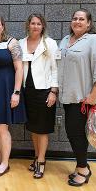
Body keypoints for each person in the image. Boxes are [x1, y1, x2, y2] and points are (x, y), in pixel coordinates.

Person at [58, 8, 96, 186]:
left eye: (82, 19)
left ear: (89, 23)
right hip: (68, 97)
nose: (77, 22)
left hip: (84, 99)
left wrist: (93, 96)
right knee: (73, 133)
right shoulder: (65, 40)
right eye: (75, 18)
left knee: (78, 135)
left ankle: (83, 169)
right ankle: (82, 165)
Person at [0, 15, 27, 177]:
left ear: (3, 26)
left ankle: (5, 163)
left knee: (2, 127)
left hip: (6, 89)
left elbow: (19, 69)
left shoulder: (11, 43)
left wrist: (16, 92)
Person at [19, 14, 58, 179]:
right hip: (27, 91)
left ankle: (41, 161)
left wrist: (53, 91)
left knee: (42, 129)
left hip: (44, 91)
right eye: (33, 23)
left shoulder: (50, 43)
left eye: (38, 24)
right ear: (28, 25)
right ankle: (36, 156)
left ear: (43, 26)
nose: (35, 26)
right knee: (33, 127)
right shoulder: (21, 43)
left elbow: (56, 68)